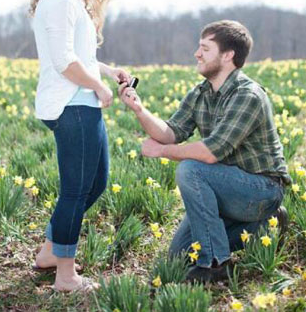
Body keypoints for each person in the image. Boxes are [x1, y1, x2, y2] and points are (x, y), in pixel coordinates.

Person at [119, 20, 291, 283]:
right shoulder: (201, 93)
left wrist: (163, 151)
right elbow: (171, 131)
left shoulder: (248, 96)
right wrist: (139, 110)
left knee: (191, 169)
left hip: (261, 189)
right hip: (226, 187)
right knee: (179, 255)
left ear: (228, 55)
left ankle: (216, 264)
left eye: (205, 48)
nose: (196, 54)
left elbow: (210, 153)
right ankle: (265, 227)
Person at [30, 0, 130, 292]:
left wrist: (107, 71)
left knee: (97, 182)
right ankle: (66, 276)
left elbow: (80, 56)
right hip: (71, 105)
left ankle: (48, 253)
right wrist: (99, 88)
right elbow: (63, 62)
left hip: (82, 101)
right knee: (74, 191)